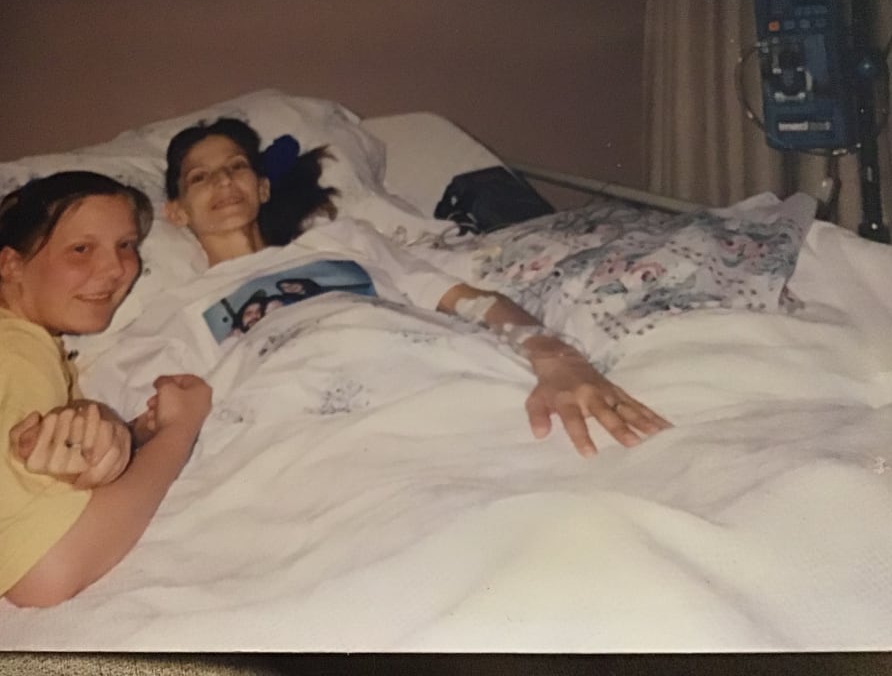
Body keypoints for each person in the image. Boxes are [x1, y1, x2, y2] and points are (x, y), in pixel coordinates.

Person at [155, 117, 670, 456]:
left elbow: (468, 301)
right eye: (200, 177)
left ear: (262, 187)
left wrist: (557, 357)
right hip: (316, 432)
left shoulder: (343, 241)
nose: (223, 182)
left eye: (237, 167)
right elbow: (153, 424)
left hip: (443, 378)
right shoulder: (176, 314)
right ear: (176, 212)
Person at [0, 172, 212, 648]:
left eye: (126, 245)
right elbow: (44, 572)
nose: (115, 269)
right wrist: (180, 431)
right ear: (12, 264)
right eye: (81, 249)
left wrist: (134, 433)